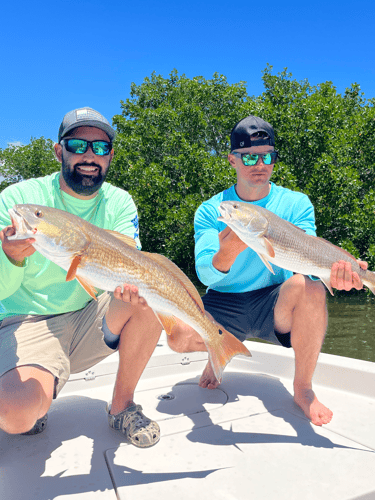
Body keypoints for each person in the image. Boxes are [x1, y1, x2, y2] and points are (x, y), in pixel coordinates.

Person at [166, 115, 367, 427]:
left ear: (274, 159)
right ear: (232, 159)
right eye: (248, 156)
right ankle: (218, 354)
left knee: (311, 287)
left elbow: (311, 253)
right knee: (177, 333)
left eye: (266, 156)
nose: (258, 164)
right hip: (224, 301)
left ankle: (303, 389)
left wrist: (339, 272)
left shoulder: (296, 203)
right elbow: (205, 274)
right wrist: (229, 250)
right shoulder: (212, 209)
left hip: (274, 303)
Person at [0, 107, 162, 447]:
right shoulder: (18, 201)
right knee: (16, 416)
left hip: (92, 312)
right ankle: (35, 392)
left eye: (100, 148)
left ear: (110, 156)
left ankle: (122, 406)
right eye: (78, 145)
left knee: (150, 292)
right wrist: (11, 258)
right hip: (27, 321)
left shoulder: (119, 201)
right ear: (59, 151)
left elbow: (127, 263)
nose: (90, 155)